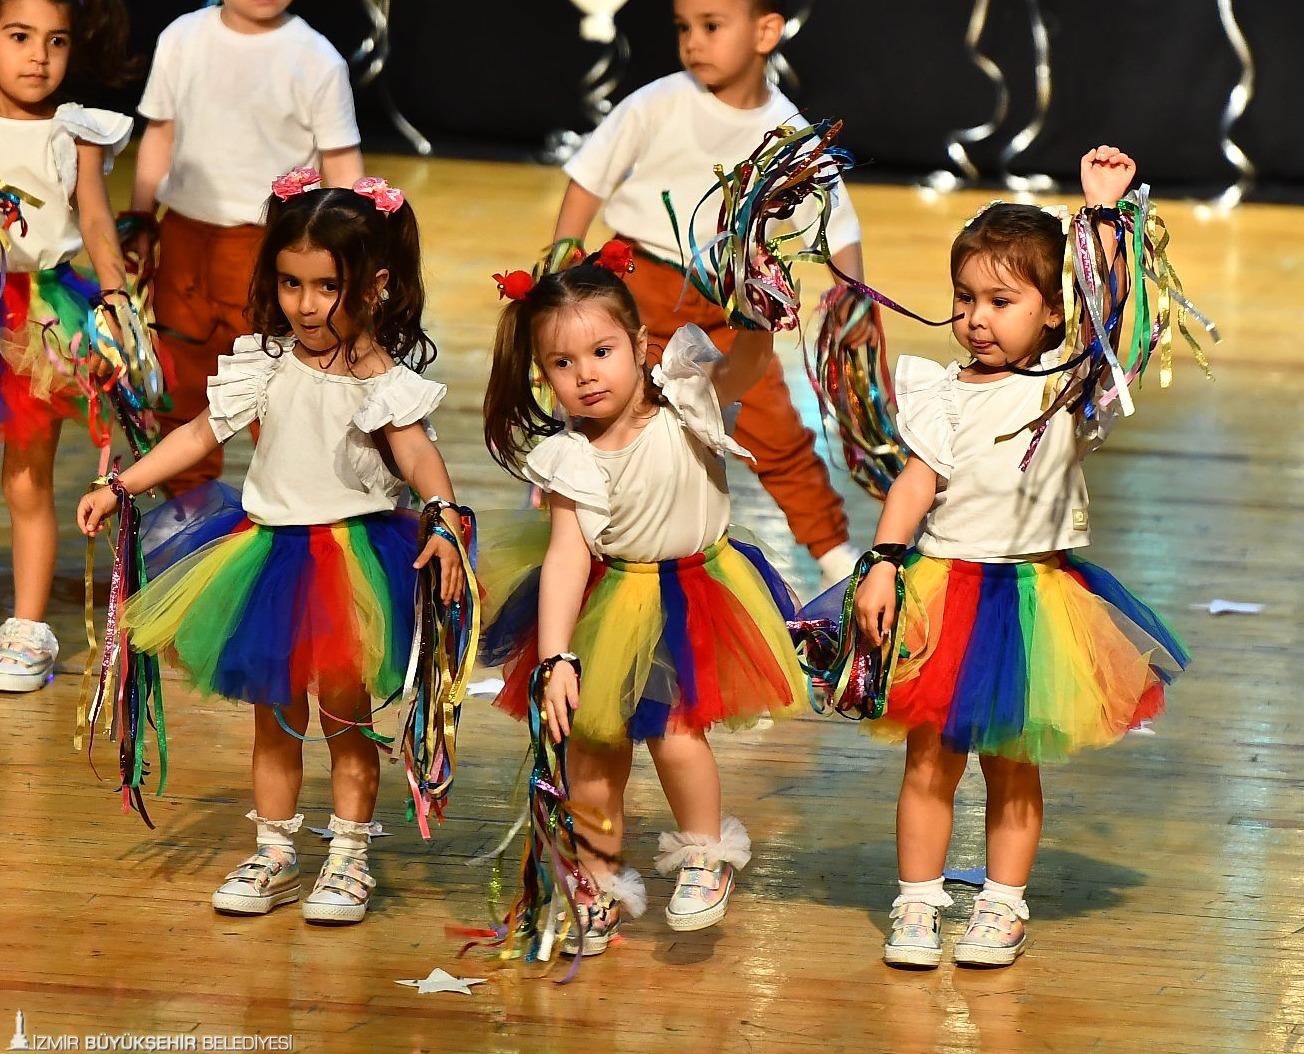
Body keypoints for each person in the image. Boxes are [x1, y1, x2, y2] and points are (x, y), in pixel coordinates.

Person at [77, 172, 462, 925]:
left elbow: (416, 454)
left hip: (351, 564)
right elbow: (198, 433)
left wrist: (442, 510)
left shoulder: (380, 378)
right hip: (265, 558)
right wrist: (122, 484)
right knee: (274, 719)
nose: (306, 304)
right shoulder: (264, 360)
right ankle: (276, 852)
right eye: (291, 284)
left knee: (346, 720)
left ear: (375, 285)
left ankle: (348, 857)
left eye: (327, 287)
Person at [846, 147, 1189, 968]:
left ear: (1052, 315)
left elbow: (1112, 312)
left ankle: (1002, 905)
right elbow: (915, 483)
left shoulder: (1067, 390)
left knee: (1012, 764)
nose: (977, 319)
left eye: (1002, 302)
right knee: (929, 760)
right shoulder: (942, 393)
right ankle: (918, 900)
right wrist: (884, 560)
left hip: (1035, 598)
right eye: (964, 299)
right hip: (945, 589)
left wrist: (1101, 217)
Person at [480, 246, 807, 955]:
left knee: (677, 733)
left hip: (694, 592)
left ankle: (704, 856)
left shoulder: (687, 398)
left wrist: (758, 313)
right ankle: (596, 884)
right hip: (611, 603)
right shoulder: (571, 456)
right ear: (543, 374)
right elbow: (567, 557)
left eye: (601, 352)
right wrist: (557, 656)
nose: (585, 375)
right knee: (593, 756)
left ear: (639, 343)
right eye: (562, 364)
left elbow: (747, 365)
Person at [551, 0, 883, 588]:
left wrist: (851, 297)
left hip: (730, 308)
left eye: (711, 26)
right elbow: (587, 180)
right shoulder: (658, 101)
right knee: (608, 419)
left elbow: (838, 223)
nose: (693, 41)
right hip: (635, 291)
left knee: (776, 433)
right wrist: (562, 268)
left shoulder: (787, 129)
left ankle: (834, 558)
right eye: (684, 27)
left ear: (766, 31)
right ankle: (579, 539)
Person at [128, 0, 364, 495]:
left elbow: (340, 159)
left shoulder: (316, 57)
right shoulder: (183, 37)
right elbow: (161, 133)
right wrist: (141, 217)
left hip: (272, 247)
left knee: (278, 377)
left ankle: (290, 512)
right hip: (185, 237)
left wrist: (352, 247)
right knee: (182, 378)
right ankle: (187, 509)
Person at [0, 0, 136, 692]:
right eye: (19, 36)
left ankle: (28, 628)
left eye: (55, 41)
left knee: (27, 476)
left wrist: (116, 301)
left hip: (36, 318)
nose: (38, 56)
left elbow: (96, 220)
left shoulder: (76, 131)